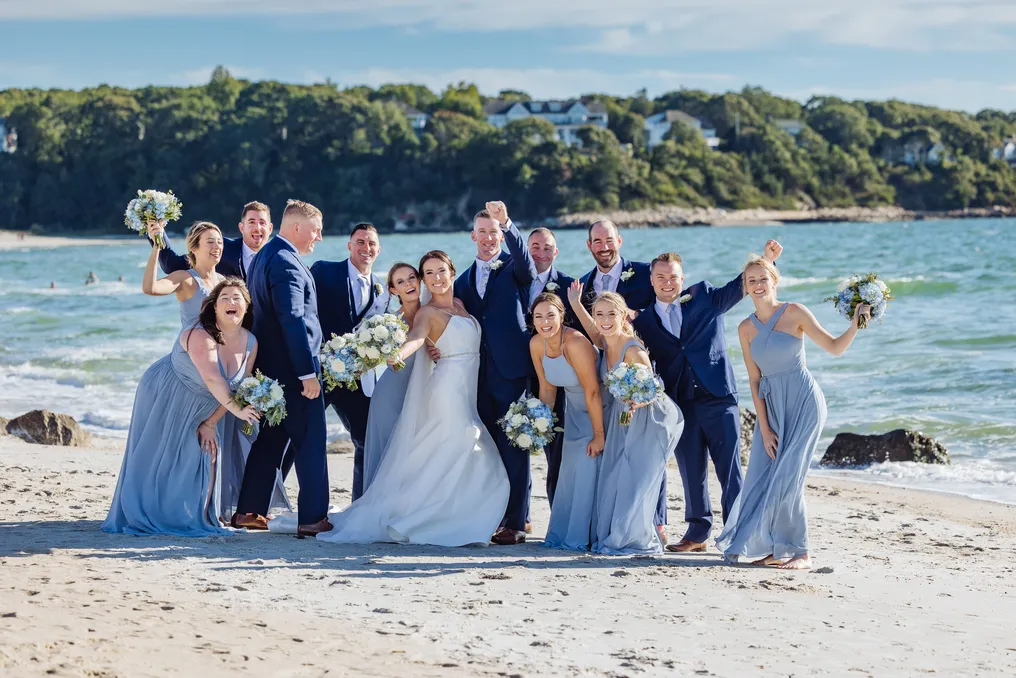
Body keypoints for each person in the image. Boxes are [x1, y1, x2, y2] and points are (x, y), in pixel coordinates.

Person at [318, 251, 510, 546]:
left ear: (452, 272)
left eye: (440, 271)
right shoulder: (427, 313)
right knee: (470, 448)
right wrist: (397, 354)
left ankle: (450, 514)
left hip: (467, 390)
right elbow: (417, 338)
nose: (436, 278)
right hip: (446, 391)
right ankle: (436, 519)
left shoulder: (460, 305)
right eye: (429, 273)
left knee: (444, 454)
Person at [716, 256, 869, 570]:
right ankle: (777, 548)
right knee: (762, 477)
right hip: (772, 408)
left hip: (804, 403)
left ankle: (801, 552)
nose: (758, 285)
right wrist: (764, 427)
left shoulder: (795, 312)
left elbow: (835, 348)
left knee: (788, 478)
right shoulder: (745, 328)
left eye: (763, 279)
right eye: (751, 281)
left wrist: (855, 324)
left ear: (775, 280)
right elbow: (754, 379)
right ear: (745, 287)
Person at [632, 242, 781, 553]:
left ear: (682, 278)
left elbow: (741, 287)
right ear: (651, 280)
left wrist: (766, 260)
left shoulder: (705, 297)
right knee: (691, 470)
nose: (668, 283)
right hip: (679, 403)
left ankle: (738, 530)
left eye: (673, 277)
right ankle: (697, 532)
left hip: (718, 396)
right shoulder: (643, 322)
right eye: (661, 277)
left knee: (730, 469)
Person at [102, 279, 261, 536]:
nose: (231, 302)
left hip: (210, 404)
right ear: (214, 307)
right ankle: (148, 512)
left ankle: (200, 516)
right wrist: (239, 410)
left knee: (207, 453)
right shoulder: (200, 334)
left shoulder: (251, 342)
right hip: (168, 392)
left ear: (247, 305)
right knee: (159, 458)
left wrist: (211, 422)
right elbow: (214, 378)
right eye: (224, 298)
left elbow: (240, 387)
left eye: (237, 298)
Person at [233, 200, 331, 536]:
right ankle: (313, 518)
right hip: (293, 372)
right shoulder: (287, 262)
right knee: (311, 441)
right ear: (297, 227)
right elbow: (293, 319)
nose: (319, 237)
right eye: (316, 230)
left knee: (271, 440)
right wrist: (307, 374)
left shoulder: (265, 255)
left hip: (272, 371)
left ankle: (249, 511)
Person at [569, 290, 684, 555]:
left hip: (649, 417)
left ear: (623, 316)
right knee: (617, 473)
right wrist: (575, 304)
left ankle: (631, 537)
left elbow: (653, 389)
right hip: (622, 416)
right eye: (599, 314)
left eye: (611, 314)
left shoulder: (632, 349)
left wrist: (634, 404)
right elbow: (595, 331)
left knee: (634, 477)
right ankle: (617, 531)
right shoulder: (606, 340)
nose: (604, 320)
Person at [453, 201, 538, 545]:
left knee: (515, 445)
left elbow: (527, 263)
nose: (488, 238)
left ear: (501, 236)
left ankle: (516, 522)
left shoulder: (515, 269)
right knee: (486, 448)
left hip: (512, 372)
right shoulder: (461, 281)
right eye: (483, 232)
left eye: (494, 232)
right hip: (477, 375)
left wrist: (508, 223)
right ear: (473, 236)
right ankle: (492, 515)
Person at [310, 222, 389, 500]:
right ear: (349, 245)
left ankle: (360, 503)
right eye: (360, 242)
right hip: (321, 372)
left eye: (371, 243)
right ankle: (270, 499)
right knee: (299, 435)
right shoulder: (324, 271)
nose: (366, 248)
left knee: (367, 439)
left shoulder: (382, 290)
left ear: (378, 249)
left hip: (358, 377)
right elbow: (304, 311)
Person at [530, 293, 604, 551]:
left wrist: (599, 435)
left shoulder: (575, 342)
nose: (545, 322)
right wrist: (539, 425)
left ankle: (589, 535)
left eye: (550, 315)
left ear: (562, 316)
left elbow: (593, 391)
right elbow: (547, 388)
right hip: (573, 410)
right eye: (538, 316)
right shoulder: (536, 344)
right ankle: (571, 532)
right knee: (570, 471)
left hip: (599, 409)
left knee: (588, 466)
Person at [361, 262, 422, 494]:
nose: (408, 284)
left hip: (424, 392)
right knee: (387, 451)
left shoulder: (434, 313)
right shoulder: (388, 324)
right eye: (400, 282)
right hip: (391, 394)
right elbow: (372, 358)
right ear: (393, 290)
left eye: (412, 277)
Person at [527, 227, 576, 507]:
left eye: (547, 248)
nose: (541, 253)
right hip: (516, 372)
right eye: (535, 247)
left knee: (557, 448)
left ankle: (558, 508)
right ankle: (518, 515)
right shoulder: (511, 279)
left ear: (555, 252)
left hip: (556, 375)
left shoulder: (569, 286)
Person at [156, 201, 273, 281]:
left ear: (270, 228)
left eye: (262, 223)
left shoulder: (278, 256)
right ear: (241, 227)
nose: (257, 228)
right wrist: (156, 229)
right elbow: (171, 264)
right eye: (251, 222)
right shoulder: (221, 248)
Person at [143, 221, 225, 329]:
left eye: (220, 242)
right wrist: (156, 247)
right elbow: (150, 288)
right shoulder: (184, 278)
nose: (217, 246)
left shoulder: (223, 280)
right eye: (210, 242)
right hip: (192, 339)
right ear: (194, 248)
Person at [577, 220, 654, 316]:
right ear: (589, 245)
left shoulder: (647, 273)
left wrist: (637, 315)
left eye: (609, 241)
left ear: (619, 241)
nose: (604, 248)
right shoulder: (581, 286)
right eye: (598, 242)